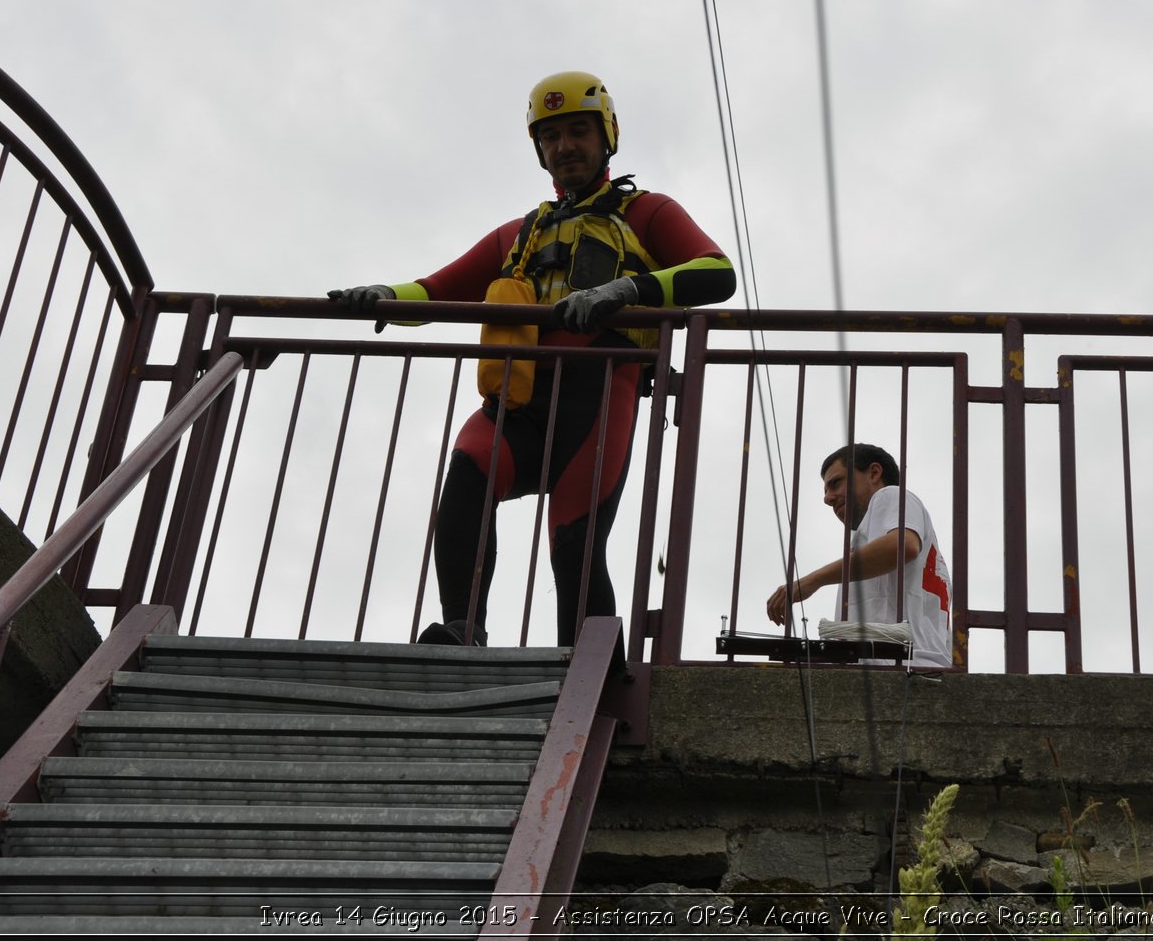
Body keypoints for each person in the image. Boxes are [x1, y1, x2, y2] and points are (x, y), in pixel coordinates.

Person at [330, 71, 735, 654]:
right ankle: (463, 630)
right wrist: (382, 298)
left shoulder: (647, 212)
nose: (564, 146)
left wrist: (625, 290)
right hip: (516, 398)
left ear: (607, 136)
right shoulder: (518, 234)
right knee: (467, 474)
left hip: (598, 395)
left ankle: (588, 668)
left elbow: (716, 272)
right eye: (550, 137)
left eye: (577, 131)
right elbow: (437, 290)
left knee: (573, 541)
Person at [766, 443, 953, 669]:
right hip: (919, 667)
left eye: (835, 483)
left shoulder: (889, 494)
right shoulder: (920, 548)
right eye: (825, 490)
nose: (827, 498)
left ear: (874, 473)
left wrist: (812, 580)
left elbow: (902, 545)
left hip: (895, 667)